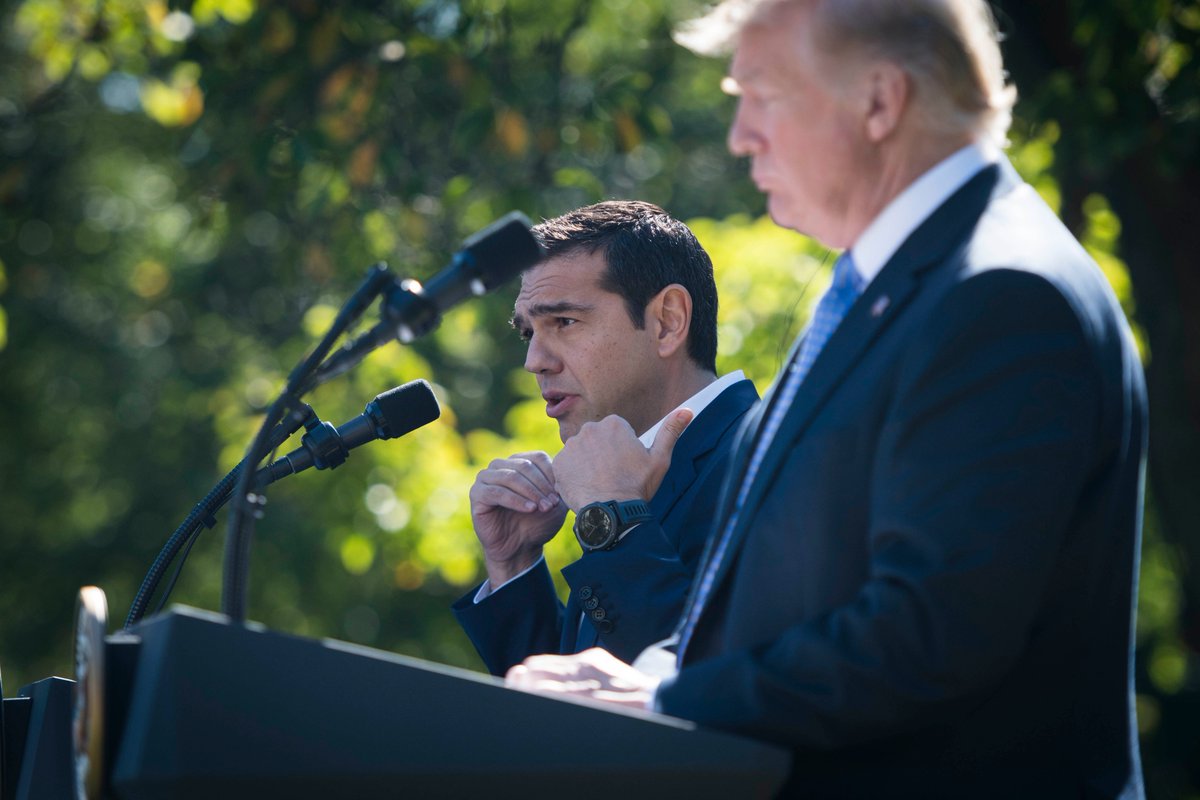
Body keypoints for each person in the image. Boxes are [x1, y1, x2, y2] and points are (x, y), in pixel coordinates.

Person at [506, 2, 1148, 797]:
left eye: (762, 95)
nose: (740, 135)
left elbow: (933, 634)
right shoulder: (889, 288)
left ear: (880, 100)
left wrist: (665, 701)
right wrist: (651, 676)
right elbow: (778, 606)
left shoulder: (1001, 294)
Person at [452, 200, 759, 676]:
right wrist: (514, 568)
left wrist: (613, 519)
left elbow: (720, 684)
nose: (534, 361)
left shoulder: (768, 457)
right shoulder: (616, 468)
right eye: (528, 332)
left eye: (564, 322)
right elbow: (579, 697)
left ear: (667, 321)